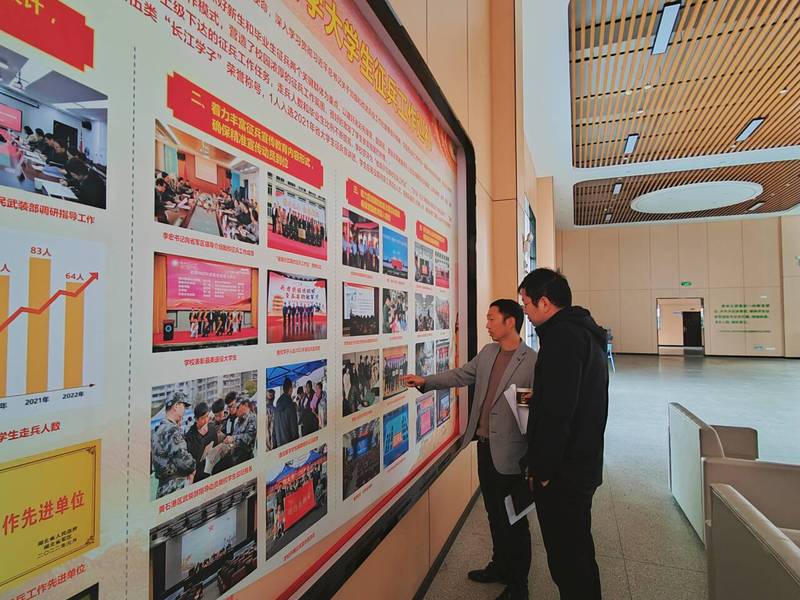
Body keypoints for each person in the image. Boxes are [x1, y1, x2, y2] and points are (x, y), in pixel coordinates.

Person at [404, 299, 536, 600]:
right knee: (493, 514)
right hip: (486, 449)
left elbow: (530, 416)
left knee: (514, 520)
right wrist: (426, 381)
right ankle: (499, 566)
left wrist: (531, 460)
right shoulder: (489, 353)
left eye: (491, 319)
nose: (487, 325)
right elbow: (462, 375)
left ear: (510, 322)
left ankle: (519, 585)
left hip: (512, 455)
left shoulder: (530, 361)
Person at [517, 268, 608, 600]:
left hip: (564, 474)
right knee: (578, 552)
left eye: (526, 303)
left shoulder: (562, 339)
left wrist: (542, 471)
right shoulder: (582, 332)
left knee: (569, 560)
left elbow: (558, 414)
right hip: (581, 464)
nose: (525, 312)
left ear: (544, 303)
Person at [151, 392, 196, 498]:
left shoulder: (157, 431)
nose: (184, 411)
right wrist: (193, 466)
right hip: (174, 487)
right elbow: (183, 460)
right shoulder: (172, 430)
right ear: (176, 406)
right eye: (183, 406)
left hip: (162, 488)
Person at [184, 401, 218, 482]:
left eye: (207, 416)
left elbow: (216, 446)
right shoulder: (190, 436)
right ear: (196, 419)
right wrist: (201, 436)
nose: (206, 420)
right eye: (202, 418)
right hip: (198, 477)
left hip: (212, 471)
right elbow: (194, 458)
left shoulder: (211, 428)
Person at [273, 378, 300, 447]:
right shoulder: (291, 406)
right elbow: (294, 430)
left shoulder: (277, 405)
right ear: (290, 389)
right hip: (289, 446)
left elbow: (274, 429)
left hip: (279, 444)